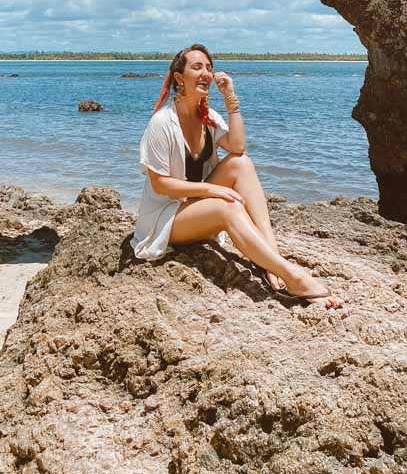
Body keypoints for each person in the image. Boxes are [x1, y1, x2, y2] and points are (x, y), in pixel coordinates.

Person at [130, 44, 343, 308]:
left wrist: (230, 97)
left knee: (241, 163)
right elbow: (160, 184)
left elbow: (237, 146)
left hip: (192, 207)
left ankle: (272, 259)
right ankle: (294, 277)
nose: (206, 73)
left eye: (209, 67)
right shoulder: (162, 123)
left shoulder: (207, 117)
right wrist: (212, 190)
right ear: (178, 78)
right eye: (197, 67)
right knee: (227, 206)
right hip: (166, 220)